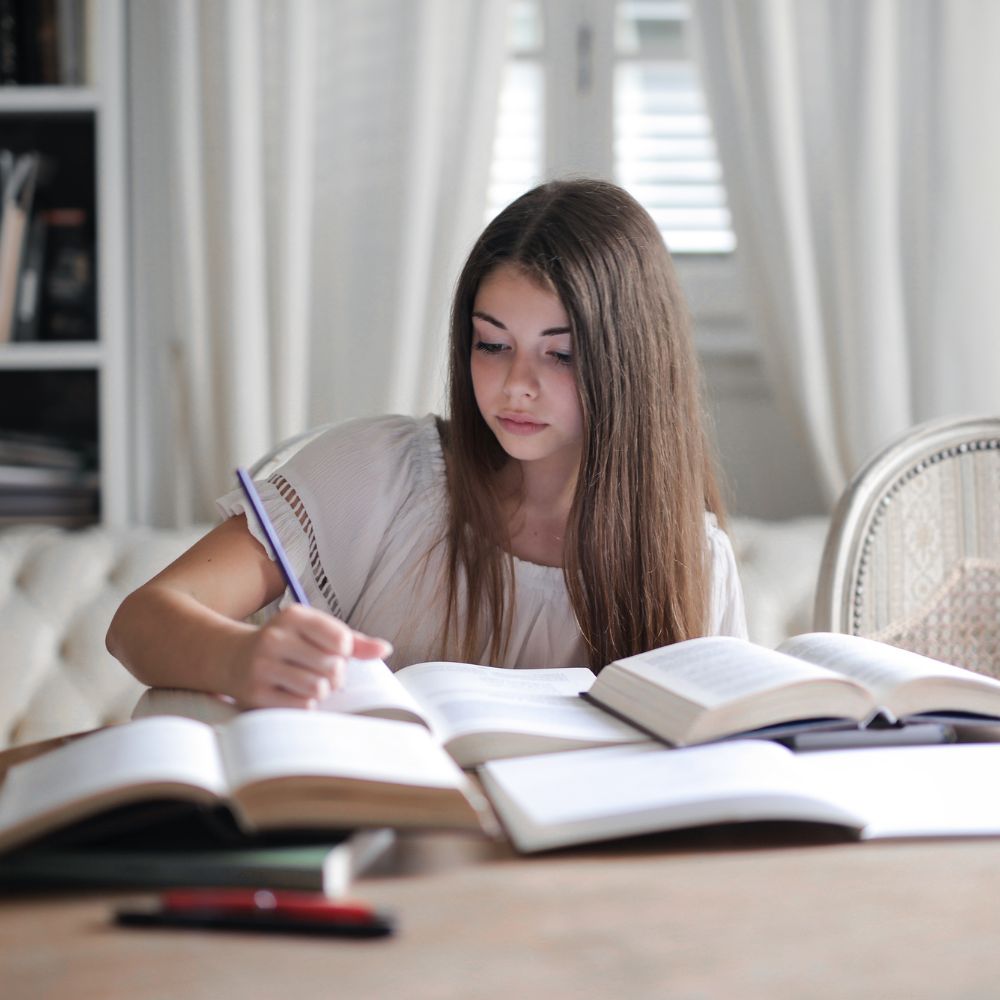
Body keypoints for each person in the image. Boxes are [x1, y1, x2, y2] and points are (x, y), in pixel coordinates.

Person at [107, 178, 747, 709]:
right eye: (491, 345)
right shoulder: (380, 473)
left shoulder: (692, 561)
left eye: (560, 355)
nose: (515, 386)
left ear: (631, 363)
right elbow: (138, 623)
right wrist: (242, 657)